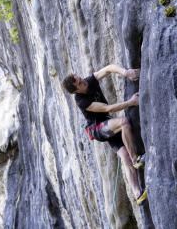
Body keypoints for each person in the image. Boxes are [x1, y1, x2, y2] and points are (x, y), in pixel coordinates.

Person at [62, 64, 147, 205]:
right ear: (76, 90)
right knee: (124, 122)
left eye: (80, 78)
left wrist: (126, 72)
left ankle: (138, 194)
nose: (83, 80)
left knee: (124, 156)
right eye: (80, 82)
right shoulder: (82, 101)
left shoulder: (88, 81)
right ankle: (136, 159)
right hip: (98, 129)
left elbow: (108, 68)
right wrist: (131, 102)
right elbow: (107, 108)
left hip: (107, 124)